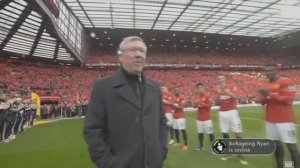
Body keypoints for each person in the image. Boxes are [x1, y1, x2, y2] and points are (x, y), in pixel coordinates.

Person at [83, 36, 168, 168]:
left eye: (142, 51)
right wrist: (108, 163)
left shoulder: (155, 87)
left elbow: (162, 121)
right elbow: (93, 129)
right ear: (121, 56)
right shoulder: (103, 86)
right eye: (133, 50)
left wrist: (161, 151)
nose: (138, 55)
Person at [258, 67, 300, 168]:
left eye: (270, 70)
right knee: (276, 147)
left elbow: (289, 99)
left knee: (291, 147)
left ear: (275, 71)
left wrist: (270, 94)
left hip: (285, 120)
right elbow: (261, 102)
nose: (268, 73)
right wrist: (263, 96)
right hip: (270, 120)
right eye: (266, 71)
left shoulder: (285, 81)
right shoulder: (266, 85)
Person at [216, 75, 247, 165]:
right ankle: (228, 153)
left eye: (222, 78)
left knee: (238, 133)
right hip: (222, 113)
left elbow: (235, 96)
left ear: (225, 79)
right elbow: (217, 101)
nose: (220, 80)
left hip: (232, 112)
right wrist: (219, 94)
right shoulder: (217, 89)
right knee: (225, 134)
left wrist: (225, 91)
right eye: (219, 79)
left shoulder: (231, 86)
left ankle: (241, 153)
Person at [193, 83, 215, 152]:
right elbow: (194, 106)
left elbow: (209, 106)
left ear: (203, 88)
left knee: (210, 133)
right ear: (197, 89)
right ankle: (201, 146)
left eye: (201, 88)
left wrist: (201, 103)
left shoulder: (207, 95)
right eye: (199, 88)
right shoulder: (196, 97)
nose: (200, 89)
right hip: (199, 118)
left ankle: (213, 148)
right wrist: (196, 103)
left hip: (207, 118)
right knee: (200, 133)